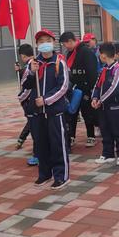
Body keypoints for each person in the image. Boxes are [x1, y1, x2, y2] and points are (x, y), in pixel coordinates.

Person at [22, 29, 70, 190]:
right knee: (41, 144)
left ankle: (61, 175)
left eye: (46, 40)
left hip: (54, 111)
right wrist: (31, 73)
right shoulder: (33, 63)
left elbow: (63, 87)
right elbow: (26, 86)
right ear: (37, 45)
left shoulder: (59, 62)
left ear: (53, 42)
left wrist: (46, 99)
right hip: (37, 113)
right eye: (40, 41)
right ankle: (44, 174)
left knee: (57, 144)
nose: (44, 44)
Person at [60, 31, 99, 147]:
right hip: (73, 88)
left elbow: (92, 73)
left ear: (71, 41)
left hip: (85, 88)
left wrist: (90, 89)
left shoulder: (86, 52)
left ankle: (91, 136)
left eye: (64, 44)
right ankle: (71, 136)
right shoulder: (69, 53)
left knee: (87, 113)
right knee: (72, 113)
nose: (64, 46)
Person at [92, 42, 119, 166]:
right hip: (102, 107)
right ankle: (107, 153)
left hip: (115, 106)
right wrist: (94, 98)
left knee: (118, 131)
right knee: (105, 130)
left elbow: (115, 88)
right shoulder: (103, 70)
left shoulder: (118, 69)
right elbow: (97, 86)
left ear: (103, 55)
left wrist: (101, 100)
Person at [15, 44, 39, 166]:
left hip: (30, 102)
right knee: (34, 127)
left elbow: (27, 87)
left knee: (35, 129)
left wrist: (20, 98)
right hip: (34, 102)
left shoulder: (30, 67)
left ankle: (37, 155)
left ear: (23, 56)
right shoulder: (33, 64)